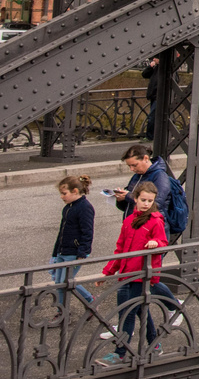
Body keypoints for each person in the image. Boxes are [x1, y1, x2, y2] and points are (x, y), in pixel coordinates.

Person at [96, 182, 180, 366]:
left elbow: (163, 243)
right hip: (128, 274)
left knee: (127, 311)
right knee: (141, 311)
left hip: (141, 275)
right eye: (143, 200)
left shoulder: (155, 221)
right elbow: (120, 249)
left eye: (150, 201)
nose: (146, 204)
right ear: (135, 199)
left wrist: (156, 243)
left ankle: (120, 352)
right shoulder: (129, 221)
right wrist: (107, 272)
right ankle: (154, 345)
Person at [50, 174, 95, 306]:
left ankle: (89, 300)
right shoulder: (68, 207)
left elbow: (88, 232)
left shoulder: (84, 207)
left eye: (64, 193)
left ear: (75, 191)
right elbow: (61, 232)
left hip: (74, 253)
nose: (61, 196)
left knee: (65, 282)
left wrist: (82, 253)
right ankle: (62, 312)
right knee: (60, 283)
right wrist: (55, 253)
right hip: (62, 252)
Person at [113, 144, 173, 229]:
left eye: (134, 165)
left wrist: (128, 196)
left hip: (150, 227)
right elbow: (128, 206)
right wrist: (121, 199)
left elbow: (156, 203)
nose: (132, 169)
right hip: (134, 225)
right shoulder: (137, 176)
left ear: (146, 158)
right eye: (129, 166)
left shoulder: (160, 176)